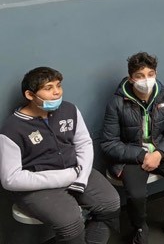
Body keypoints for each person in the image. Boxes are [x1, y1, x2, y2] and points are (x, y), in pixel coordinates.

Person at [0, 67, 120, 244]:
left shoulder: (69, 110)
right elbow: (10, 179)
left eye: (58, 85)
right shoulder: (12, 128)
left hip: (75, 171)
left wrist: (82, 176)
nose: (57, 92)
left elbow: (84, 143)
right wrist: (65, 177)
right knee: (71, 224)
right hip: (37, 186)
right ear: (30, 95)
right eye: (48, 88)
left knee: (110, 204)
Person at [101, 52, 164, 244]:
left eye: (150, 74)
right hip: (132, 154)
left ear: (156, 74)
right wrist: (142, 155)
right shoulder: (116, 103)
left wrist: (159, 153)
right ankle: (140, 227)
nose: (146, 80)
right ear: (131, 78)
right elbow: (109, 143)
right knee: (136, 194)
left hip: (161, 149)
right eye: (140, 76)